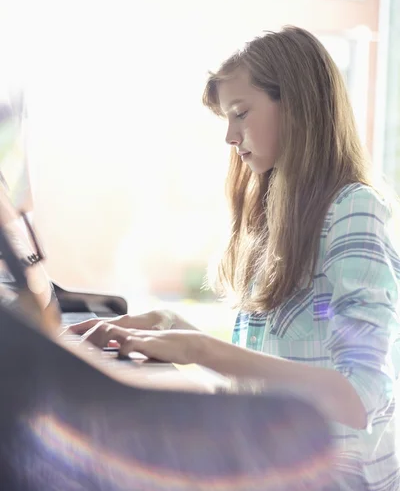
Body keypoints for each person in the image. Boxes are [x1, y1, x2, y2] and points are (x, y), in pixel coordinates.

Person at [70, 26, 400, 490]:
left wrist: (203, 351)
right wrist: (173, 326)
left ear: (299, 105)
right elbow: (270, 371)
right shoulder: (278, 214)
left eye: (241, 113)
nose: (230, 135)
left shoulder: (354, 211)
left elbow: (363, 395)